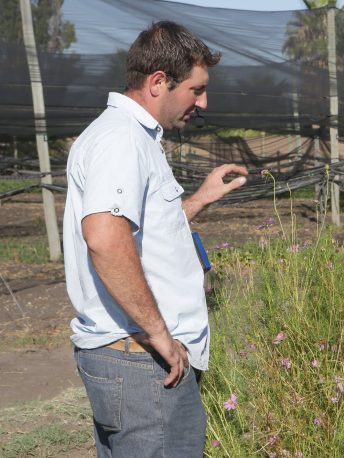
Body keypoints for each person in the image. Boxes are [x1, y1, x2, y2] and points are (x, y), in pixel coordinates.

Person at [63, 21, 247, 457]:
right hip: (142, 362)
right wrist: (160, 334)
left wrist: (199, 199)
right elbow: (106, 239)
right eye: (196, 90)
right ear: (158, 82)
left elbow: (137, 234)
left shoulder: (132, 139)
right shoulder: (121, 140)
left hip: (132, 358)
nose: (203, 102)